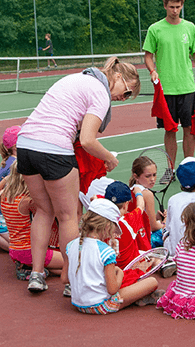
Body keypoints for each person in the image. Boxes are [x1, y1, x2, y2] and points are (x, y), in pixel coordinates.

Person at [16, 56, 140, 293]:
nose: (122, 99)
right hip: (53, 149)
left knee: (43, 210)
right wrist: (108, 158)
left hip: (26, 144)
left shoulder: (77, 78)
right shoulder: (100, 93)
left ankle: (36, 274)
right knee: (68, 216)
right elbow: (87, 140)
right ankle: (72, 279)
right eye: (127, 92)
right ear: (118, 77)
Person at [144, 0, 195, 165]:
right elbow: (148, 55)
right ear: (165, 6)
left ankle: (188, 166)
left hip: (187, 87)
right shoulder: (155, 29)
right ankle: (170, 169)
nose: (175, 10)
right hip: (166, 89)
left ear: (182, 5)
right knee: (170, 130)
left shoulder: (190, 28)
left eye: (178, 6)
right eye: (171, 7)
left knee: (189, 128)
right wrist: (152, 70)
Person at [65, 199, 162, 313]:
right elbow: (112, 289)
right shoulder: (106, 251)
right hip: (101, 306)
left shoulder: (70, 245)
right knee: (152, 282)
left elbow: (64, 278)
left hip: (78, 304)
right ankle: (137, 298)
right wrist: (119, 272)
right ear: (107, 226)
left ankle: (138, 298)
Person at [0, 160, 64, 280]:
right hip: (30, 250)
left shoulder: (4, 196)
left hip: (14, 249)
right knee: (71, 263)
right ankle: (35, 270)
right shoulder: (28, 201)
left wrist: (7, 179)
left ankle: (31, 268)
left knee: (59, 267)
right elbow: (49, 216)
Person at [129, 156, 166, 248]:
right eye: (148, 176)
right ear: (136, 176)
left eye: (154, 174)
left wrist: (155, 218)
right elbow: (153, 227)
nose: (152, 179)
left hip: (131, 240)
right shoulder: (147, 194)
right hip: (145, 241)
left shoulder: (129, 190)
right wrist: (165, 222)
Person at [0, 125, 21, 252]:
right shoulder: (14, 164)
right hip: (2, 211)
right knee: (15, 246)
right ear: (15, 146)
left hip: (4, 209)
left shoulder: (10, 160)